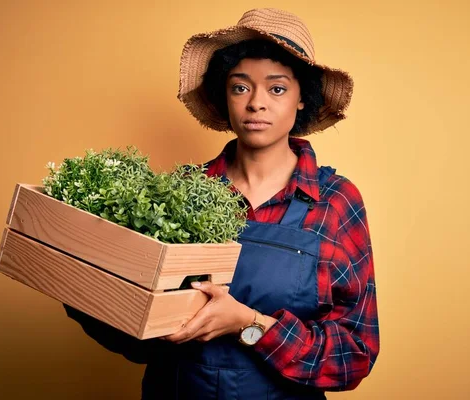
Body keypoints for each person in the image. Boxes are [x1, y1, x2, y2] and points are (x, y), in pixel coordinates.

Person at [63, 8, 380, 399]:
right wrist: (80, 278)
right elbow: (137, 341)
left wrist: (249, 324)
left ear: (302, 99)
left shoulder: (334, 202)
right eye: (240, 87)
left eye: (277, 89)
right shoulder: (178, 193)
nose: (256, 104)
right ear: (224, 95)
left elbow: (354, 354)